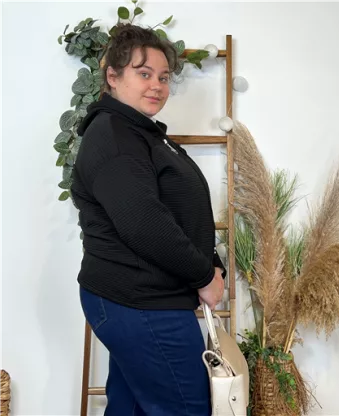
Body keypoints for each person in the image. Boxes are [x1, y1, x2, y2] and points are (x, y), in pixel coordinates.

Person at [71, 24, 226, 416]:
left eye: (163, 77)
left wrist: (211, 262)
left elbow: (178, 210)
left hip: (143, 299)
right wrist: (204, 276)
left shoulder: (140, 133)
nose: (156, 85)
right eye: (144, 74)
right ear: (112, 76)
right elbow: (144, 223)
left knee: (131, 408)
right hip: (141, 302)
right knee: (187, 409)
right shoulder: (115, 137)